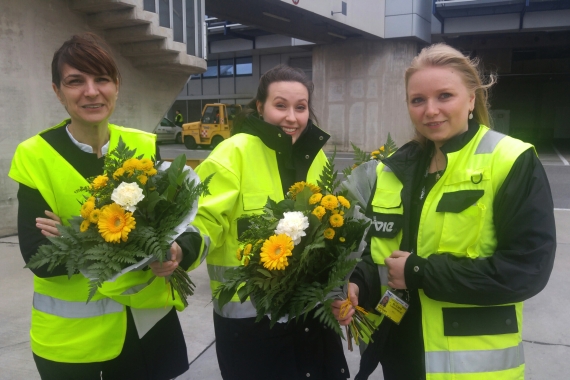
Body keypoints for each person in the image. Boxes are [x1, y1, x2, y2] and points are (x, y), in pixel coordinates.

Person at [334, 44, 556, 380]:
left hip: (469, 363)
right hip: (400, 351)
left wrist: (421, 272)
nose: (430, 110)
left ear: (471, 99)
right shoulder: (394, 170)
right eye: (418, 100)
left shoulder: (510, 161)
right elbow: (383, 254)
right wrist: (357, 283)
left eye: (445, 96)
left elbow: (527, 269)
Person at [9, 33, 205, 380]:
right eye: (75, 81)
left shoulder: (143, 145)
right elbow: (39, 253)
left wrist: (175, 251)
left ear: (116, 85)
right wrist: (139, 243)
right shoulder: (35, 155)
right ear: (57, 91)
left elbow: (180, 224)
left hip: (149, 330)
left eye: (102, 79)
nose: (91, 91)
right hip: (73, 343)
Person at [191, 64, 350, 380]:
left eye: (300, 107)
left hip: (312, 318)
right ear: (260, 107)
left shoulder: (316, 157)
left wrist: (339, 289)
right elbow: (202, 219)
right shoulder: (232, 152)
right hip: (250, 327)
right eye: (281, 105)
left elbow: (331, 232)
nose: (292, 117)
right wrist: (181, 248)